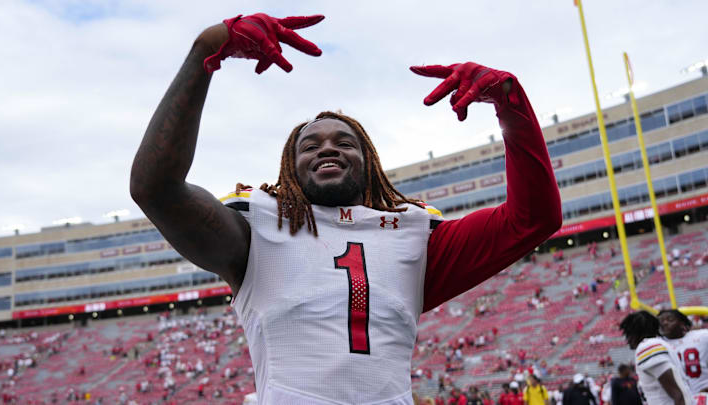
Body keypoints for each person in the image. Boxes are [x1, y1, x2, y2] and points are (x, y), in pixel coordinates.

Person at [130, 10, 561, 405]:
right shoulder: (254, 232)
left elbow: (534, 219)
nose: (327, 149)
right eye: (310, 145)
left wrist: (510, 104)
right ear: (290, 168)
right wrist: (206, 50)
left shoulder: (411, 236)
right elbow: (156, 189)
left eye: (344, 142)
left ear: (368, 159)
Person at [619, 311, 691, 405]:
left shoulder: (647, 347)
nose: (627, 340)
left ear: (636, 332)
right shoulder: (657, 344)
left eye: (628, 334)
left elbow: (678, 395)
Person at [659, 309, 708, 399]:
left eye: (670, 319)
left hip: (704, 394)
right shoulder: (657, 344)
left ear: (681, 323)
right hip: (680, 399)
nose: (665, 323)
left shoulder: (703, 336)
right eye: (661, 321)